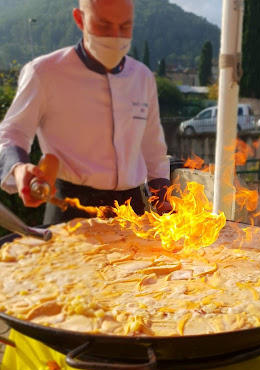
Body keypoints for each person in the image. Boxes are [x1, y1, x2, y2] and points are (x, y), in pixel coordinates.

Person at [0, 0, 170, 224]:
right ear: (80, 19)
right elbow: (13, 132)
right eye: (104, 25)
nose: (115, 36)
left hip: (133, 211)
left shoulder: (143, 77)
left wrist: (162, 194)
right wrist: (19, 168)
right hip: (71, 209)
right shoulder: (44, 73)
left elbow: (152, 147)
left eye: (125, 26)